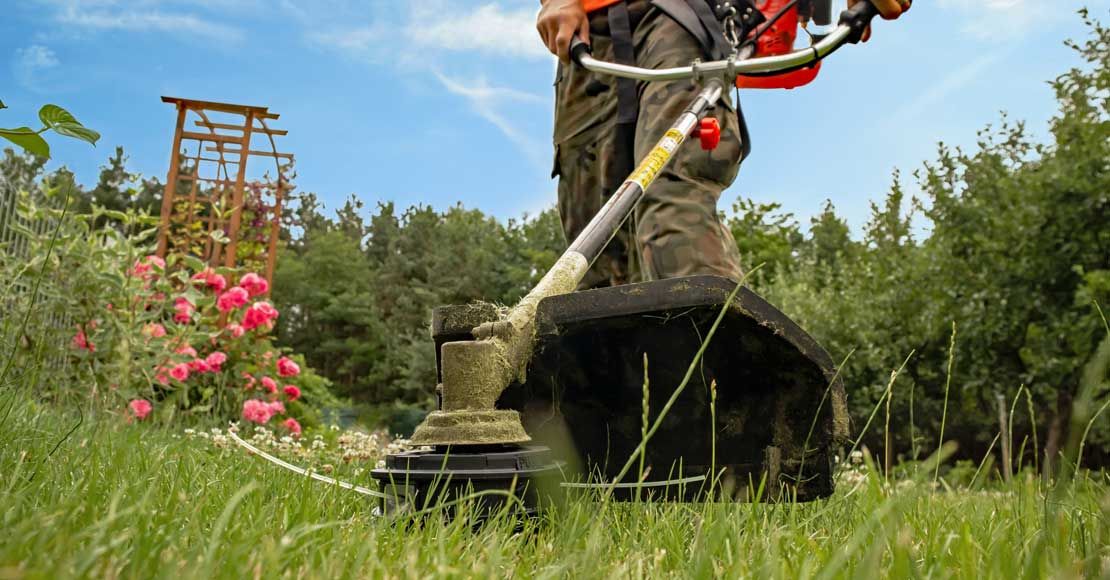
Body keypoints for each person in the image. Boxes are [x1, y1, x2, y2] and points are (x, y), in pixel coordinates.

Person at [537, 0, 909, 289]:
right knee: (593, 248)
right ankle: (616, 366)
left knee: (671, 199)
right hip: (583, 38)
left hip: (676, 17)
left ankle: (714, 354)